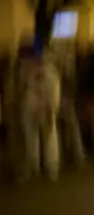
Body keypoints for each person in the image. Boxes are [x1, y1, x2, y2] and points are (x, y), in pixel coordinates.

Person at [12, 41, 61, 182]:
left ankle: (49, 167)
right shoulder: (27, 70)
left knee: (47, 138)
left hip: (42, 107)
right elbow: (23, 89)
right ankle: (36, 167)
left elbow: (52, 89)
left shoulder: (48, 71)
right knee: (33, 138)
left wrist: (51, 107)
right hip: (32, 107)